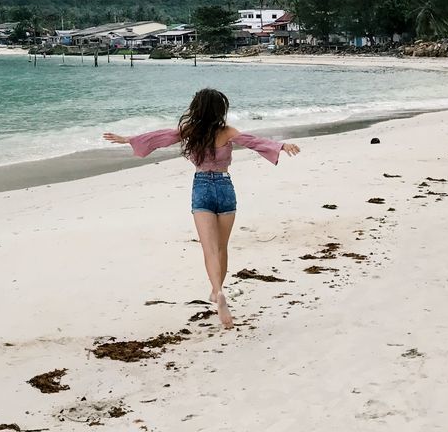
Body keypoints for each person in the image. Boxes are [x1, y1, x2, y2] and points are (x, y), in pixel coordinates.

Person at [103, 88, 301, 328]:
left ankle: (217, 292)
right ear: (220, 110)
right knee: (222, 247)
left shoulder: (190, 131)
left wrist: (129, 140)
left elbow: (160, 137)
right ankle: (217, 290)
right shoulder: (228, 132)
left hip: (202, 187)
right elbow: (254, 142)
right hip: (225, 188)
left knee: (209, 250)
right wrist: (281, 146)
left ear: (196, 108)